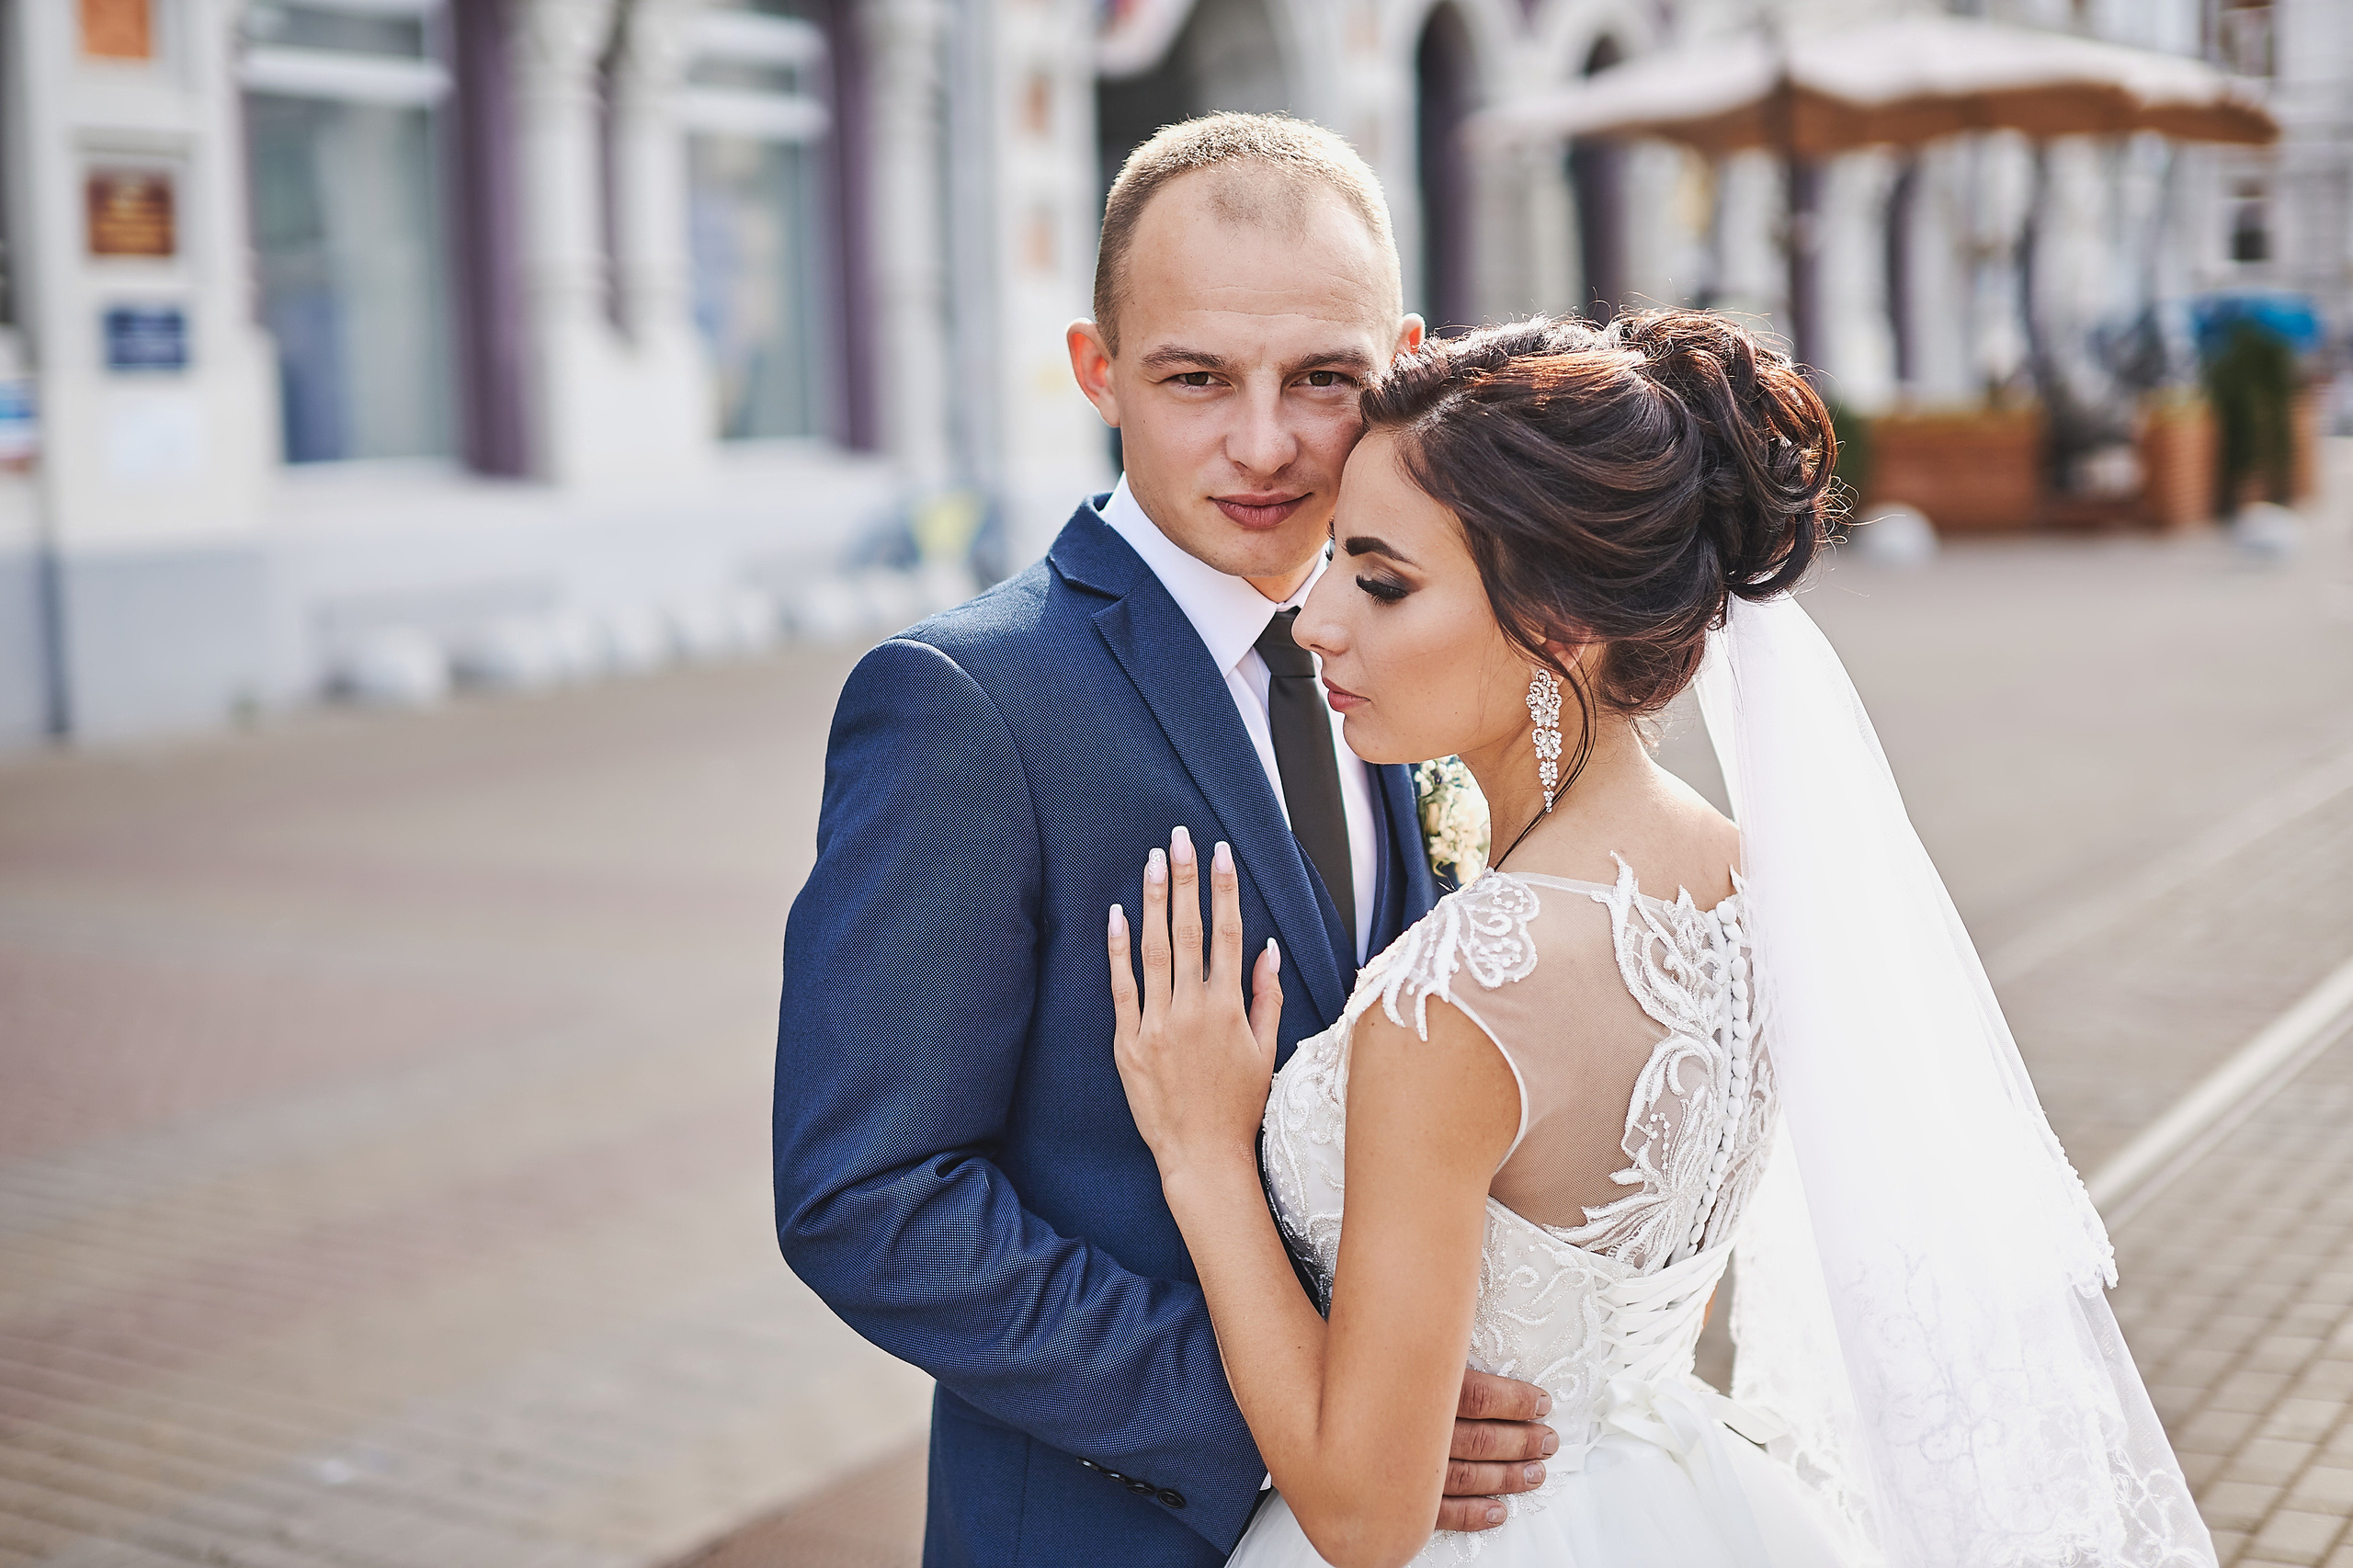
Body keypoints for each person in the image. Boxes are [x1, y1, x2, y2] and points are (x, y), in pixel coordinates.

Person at [1106, 312, 2218, 1567]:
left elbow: (1367, 1515)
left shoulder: (1457, 999)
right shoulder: (1750, 878)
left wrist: (1203, 1156)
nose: (1317, 624)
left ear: (1559, 620)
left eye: (1382, 578)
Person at [773, 114, 1554, 1568]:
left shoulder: (1410, 661)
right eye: (1196, 378)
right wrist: (1290, 1419)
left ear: (1405, 355)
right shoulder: (965, 704)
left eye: (1326, 380)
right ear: (1096, 368)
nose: (1265, 443)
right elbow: (865, 1197)